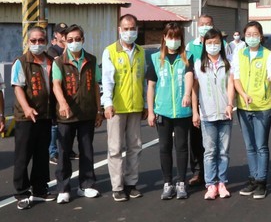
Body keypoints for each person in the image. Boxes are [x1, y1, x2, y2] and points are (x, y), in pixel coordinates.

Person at [233, 21, 271, 199]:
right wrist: (243, 94)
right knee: (250, 146)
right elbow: (236, 78)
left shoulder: (270, 56)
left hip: (262, 107)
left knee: (261, 145)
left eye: (255, 34)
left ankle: (262, 181)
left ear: (261, 36)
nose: (252, 37)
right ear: (243, 36)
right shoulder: (239, 54)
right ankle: (253, 178)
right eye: (248, 34)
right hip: (243, 106)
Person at [52, 24, 103, 204]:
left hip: (87, 114)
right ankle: (63, 188)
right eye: (70, 40)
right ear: (65, 42)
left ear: (83, 40)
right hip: (66, 115)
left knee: (87, 150)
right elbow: (56, 85)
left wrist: (99, 110)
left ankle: (86, 185)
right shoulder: (59, 62)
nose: (74, 43)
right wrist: (63, 103)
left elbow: (96, 86)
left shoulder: (91, 59)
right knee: (64, 152)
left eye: (77, 39)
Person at [102, 14, 147, 202]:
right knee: (115, 149)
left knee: (135, 147)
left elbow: (142, 80)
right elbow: (107, 79)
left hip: (135, 106)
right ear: (119, 30)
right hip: (117, 108)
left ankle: (131, 183)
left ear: (137, 30)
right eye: (126, 28)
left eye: (133, 28)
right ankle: (117, 186)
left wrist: (144, 103)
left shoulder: (141, 52)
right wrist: (108, 103)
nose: (129, 32)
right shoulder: (111, 51)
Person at [11, 26, 57, 209]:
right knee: (23, 154)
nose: (37, 44)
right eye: (34, 41)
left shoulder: (52, 61)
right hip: (26, 116)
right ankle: (21, 192)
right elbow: (17, 87)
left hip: (45, 115)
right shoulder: (21, 62)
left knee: (41, 153)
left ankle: (39, 188)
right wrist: (27, 108)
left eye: (41, 40)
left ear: (46, 42)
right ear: (28, 42)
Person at [146, 22, 193, 200]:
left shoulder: (187, 57)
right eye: (170, 37)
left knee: (181, 147)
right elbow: (151, 86)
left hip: (182, 111)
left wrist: (187, 94)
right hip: (163, 111)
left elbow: (189, 75)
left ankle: (181, 182)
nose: (174, 40)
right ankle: (168, 183)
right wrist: (151, 111)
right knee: (164, 147)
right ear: (164, 38)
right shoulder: (156, 58)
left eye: (177, 37)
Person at [193, 28, 236, 200]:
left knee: (224, 151)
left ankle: (222, 183)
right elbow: (194, 90)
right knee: (210, 151)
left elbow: (230, 85)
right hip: (207, 115)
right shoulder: (199, 64)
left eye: (216, 43)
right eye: (209, 43)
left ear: (222, 44)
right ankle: (211, 185)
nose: (213, 46)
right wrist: (195, 112)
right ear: (204, 44)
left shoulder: (228, 63)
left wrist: (230, 104)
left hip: (225, 114)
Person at [185, 14, 214, 188]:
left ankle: (215, 173)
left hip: (214, 98)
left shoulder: (222, 45)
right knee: (195, 137)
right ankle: (197, 172)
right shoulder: (191, 46)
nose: (205, 27)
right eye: (202, 24)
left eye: (208, 24)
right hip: (197, 96)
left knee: (214, 138)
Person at [47, 22, 76, 164]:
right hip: (55, 93)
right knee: (54, 125)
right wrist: (66, 46)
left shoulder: (72, 49)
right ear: (56, 35)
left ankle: (68, 150)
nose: (64, 36)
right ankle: (53, 152)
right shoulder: (52, 50)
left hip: (70, 91)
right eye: (61, 33)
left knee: (70, 125)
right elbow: (62, 62)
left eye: (66, 33)